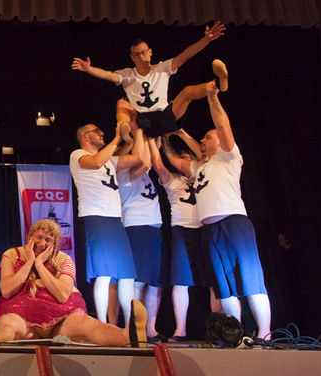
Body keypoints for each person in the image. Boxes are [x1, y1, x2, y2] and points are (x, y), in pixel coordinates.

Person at [169, 82, 272, 340]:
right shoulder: (200, 167)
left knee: (250, 279)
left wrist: (212, 97)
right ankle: (236, 335)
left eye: (207, 137)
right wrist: (172, 134)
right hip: (210, 230)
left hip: (233, 224)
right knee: (224, 286)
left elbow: (223, 126)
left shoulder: (229, 157)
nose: (202, 141)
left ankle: (265, 334)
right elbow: (176, 161)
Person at [0, 220, 147, 346]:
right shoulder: (11, 255)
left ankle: (128, 335)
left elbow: (63, 294)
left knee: (89, 325)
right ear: (30, 237)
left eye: (48, 240)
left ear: (55, 243)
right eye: (39, 237)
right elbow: (7, 290)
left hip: (62, 319)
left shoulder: (64, 259)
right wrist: (29, 262)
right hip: (23, 318)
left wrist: (39, 265)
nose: (42, 243)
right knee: (8, 325)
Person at [71, 22, 227, 137]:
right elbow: (107, 75)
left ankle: (217, 84)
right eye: (137, 54)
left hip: (166, 116)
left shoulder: (162, 68)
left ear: (150, 52)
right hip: (144, 120)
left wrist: (206, 39)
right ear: (132, 57)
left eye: (144, 52)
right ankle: (124, 133)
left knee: (187, 92)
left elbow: (185, 55)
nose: (141, 56)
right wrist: (89, 69)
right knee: (122, 105)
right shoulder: (127, 74)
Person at [148, 136, 221, 341]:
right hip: (182, 231)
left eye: (188, 161)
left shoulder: (203, 176)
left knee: (214, 281)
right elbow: (159, 166)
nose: (184, 165)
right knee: (181, 280)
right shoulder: (173, 181)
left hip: (205, 230)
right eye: (181, 161)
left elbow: (205, 157)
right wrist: (156, 143)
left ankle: (220, 330)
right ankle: (180, 330)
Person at [70, 121, 143, 325]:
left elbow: (137, 159)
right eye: (96, 131)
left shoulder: (109, 159)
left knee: (126, 274)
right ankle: (102, 325)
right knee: (104, 272)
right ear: (85, 137)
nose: (102, 133)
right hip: (97, 217)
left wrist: (135, 134)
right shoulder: (77, 154)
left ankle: (130, 326)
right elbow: (94, 163)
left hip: (115, 219)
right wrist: (118, 138)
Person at [116, 128, 165, 341]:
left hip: (153, 228)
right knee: (138, 281)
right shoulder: (122, 175)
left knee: (155, 282)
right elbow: (144, 161)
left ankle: (150, 329)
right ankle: (133, 327)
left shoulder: (142, 173)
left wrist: (151, 137)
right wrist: (139, 131)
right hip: (137, 227)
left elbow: (152, 155)